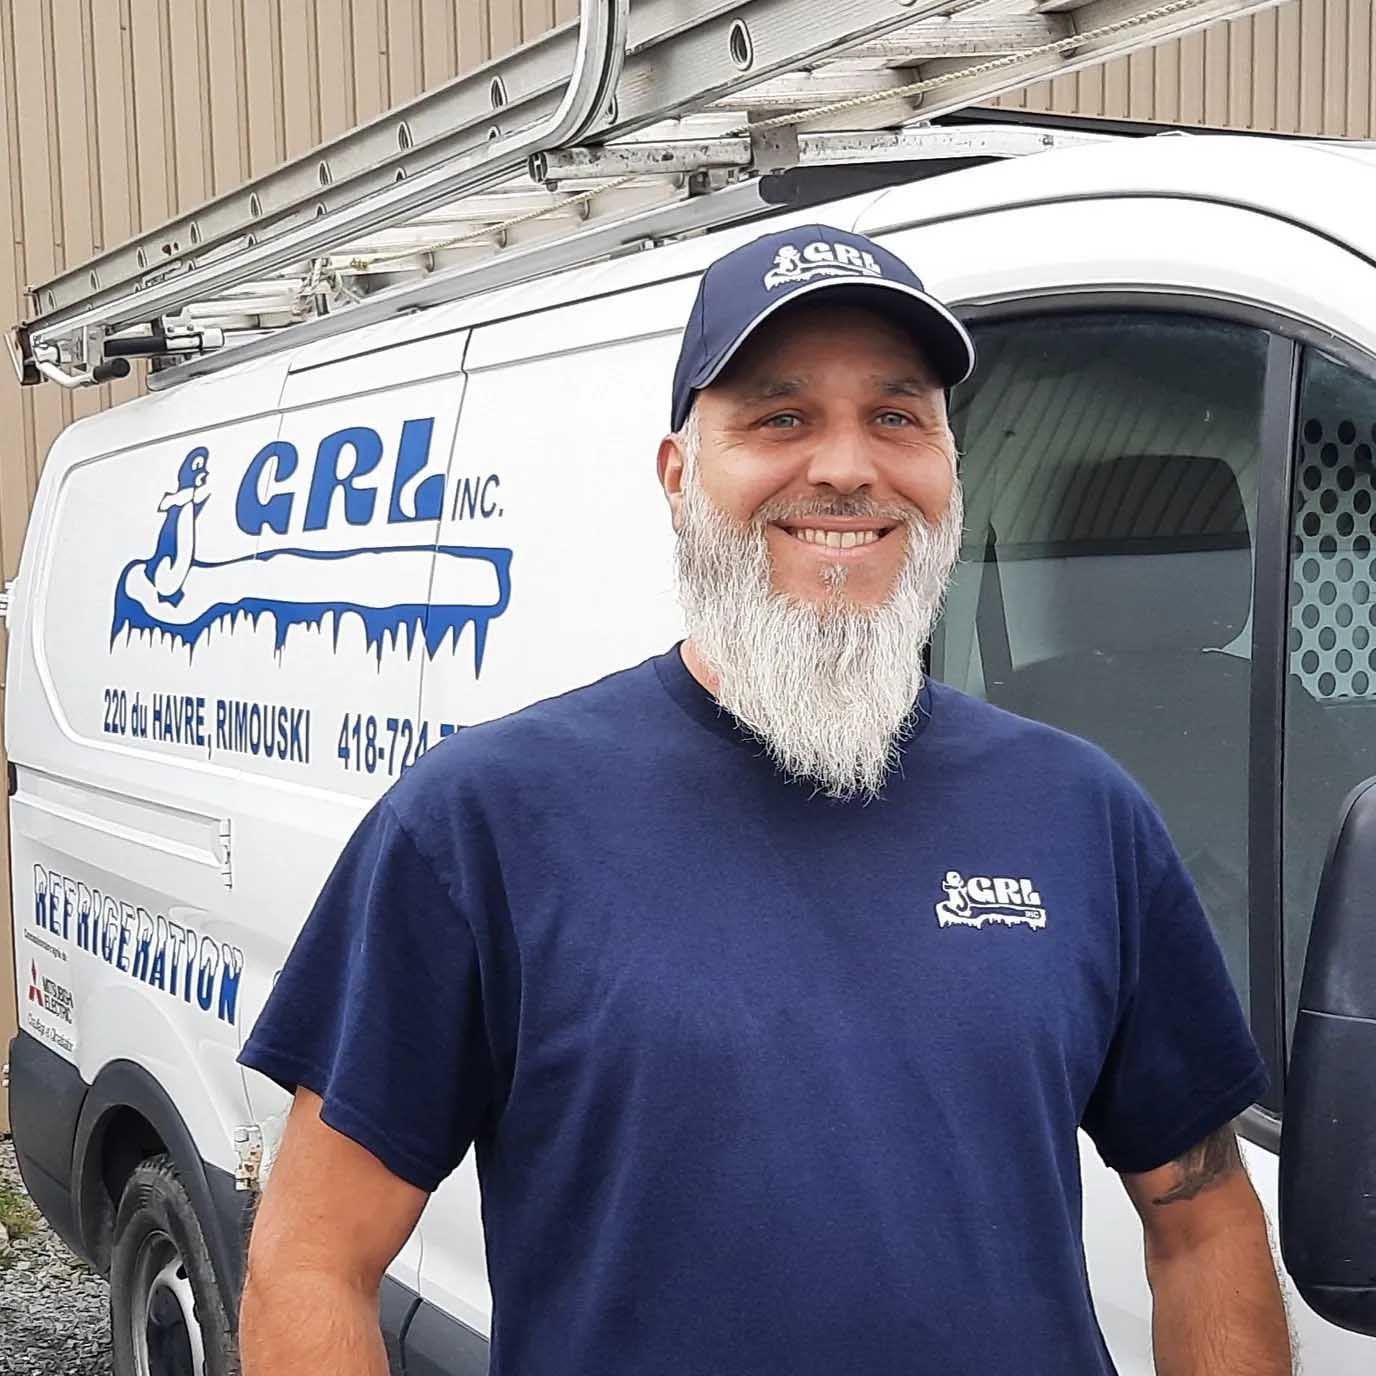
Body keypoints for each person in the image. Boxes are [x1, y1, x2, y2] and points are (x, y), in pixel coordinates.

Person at [237, 224, 1292, 1375]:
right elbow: (310, 1264)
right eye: (779, 416)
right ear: (679, 474)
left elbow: (1200, 1225)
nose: (846, 466)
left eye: (896, 416)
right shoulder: (482, 823)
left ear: (946, 469)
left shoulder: (1080, 814)